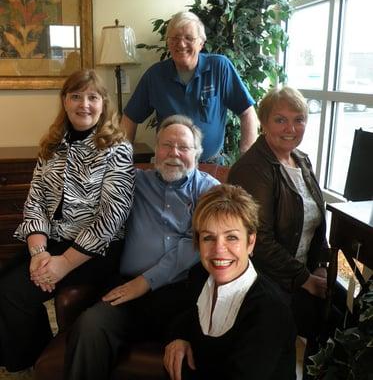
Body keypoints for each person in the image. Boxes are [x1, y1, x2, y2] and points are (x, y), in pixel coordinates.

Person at [64, 114, 219, 380]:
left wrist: (146, 281)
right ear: (155, 149)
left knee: (193, 352)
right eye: (167, 145)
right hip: (126, 291)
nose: (174, 153)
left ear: (197, 153)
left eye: (183, 147)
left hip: (182, 297)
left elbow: (198, 243)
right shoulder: (132, 182)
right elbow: (87, 182)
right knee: (90, 326)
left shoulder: (210, 191)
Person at [0, 69, 135, 373]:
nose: (83, 104)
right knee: (6, 288)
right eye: (76, 96)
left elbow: (109, 221)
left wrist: (62, 265)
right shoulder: (51, 146)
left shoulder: (117, 150)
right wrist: (39, 253)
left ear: (103, 103)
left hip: (96, 251)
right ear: (64, 101)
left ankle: (28, 360)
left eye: (92, 97)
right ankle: (36, 357)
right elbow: (34, 203)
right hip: (53, 242)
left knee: (13, 293)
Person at [228, 86, 329, 374]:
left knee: (346, 312)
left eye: (299, 119)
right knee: (323, 321)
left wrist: (320, 267)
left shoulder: (302, 160)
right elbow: (258, 241)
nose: (291, 128)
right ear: (263, 122)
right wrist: (304, 279)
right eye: (280, 119)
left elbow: (317, 222)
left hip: (301, 271)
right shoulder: (253, 168)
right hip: (264, 276)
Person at [164, 184, 296, 380]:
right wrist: (178, 337)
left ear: (250, 242)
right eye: (209, 238)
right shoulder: (199, 276)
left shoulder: (270, 309)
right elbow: (185, 316)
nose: (219, 249)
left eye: (231, 237)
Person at [122, 11, 258, 162]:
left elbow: (247, 113)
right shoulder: (155, 75)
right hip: (170, 166)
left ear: (201, 43)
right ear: (168, 42)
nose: (181, 44)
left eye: (188, 38)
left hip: (211, 166)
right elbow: (130, 118)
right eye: (175, 38)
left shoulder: (220, 67)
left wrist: (247, 157)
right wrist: (122, 161)